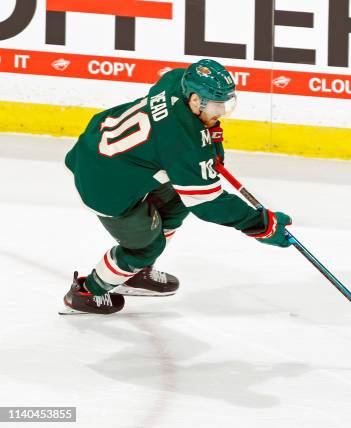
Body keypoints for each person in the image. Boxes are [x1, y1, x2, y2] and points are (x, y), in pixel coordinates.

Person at [60, 59, 292, 315]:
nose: (222, 111)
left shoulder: (176, 82)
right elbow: (209, 203)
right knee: (146, 247)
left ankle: (136, 272)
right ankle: (87, 292)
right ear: (194, 100)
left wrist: (211, 148)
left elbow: (198, 136)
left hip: (104, 148)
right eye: (217, 105)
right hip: (103, 184)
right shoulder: (182, 145)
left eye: (226, 103)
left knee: (180, 201)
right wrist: (261, 225)